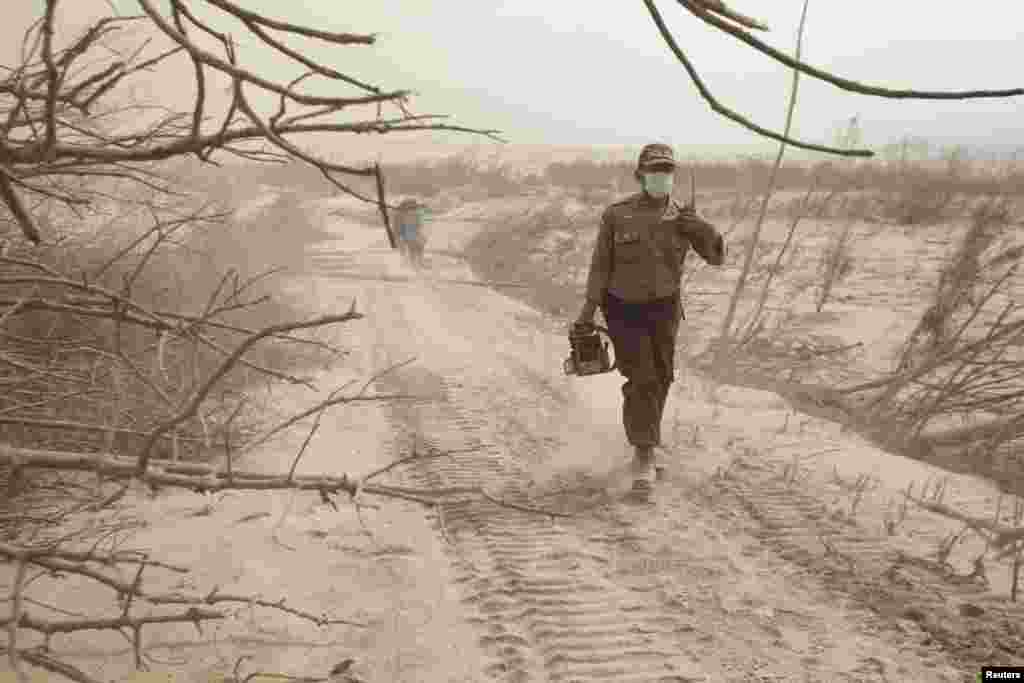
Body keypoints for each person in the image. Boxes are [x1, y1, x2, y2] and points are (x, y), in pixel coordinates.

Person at [574, 143, 725, 496]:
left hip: (665, 308)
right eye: (655, 170)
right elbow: (600, 265)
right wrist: (587, 311)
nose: (661, 177)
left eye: (667, 171)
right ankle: (644, 455)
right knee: (641, 377)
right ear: (640, 175)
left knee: (662, 378)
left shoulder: (683, 217)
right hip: (623, 307)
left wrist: (701, 226)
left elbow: (717, 256)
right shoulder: (617, 215)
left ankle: (646, 446)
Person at [396, 199, 427, 268]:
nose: (414, 209)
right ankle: (414, 264)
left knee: (417, 249)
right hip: (410, 236)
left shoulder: (412, 214)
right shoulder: (405, 215)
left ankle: (416, 263)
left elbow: (418, 225)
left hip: (413, 235)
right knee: (414, 250)